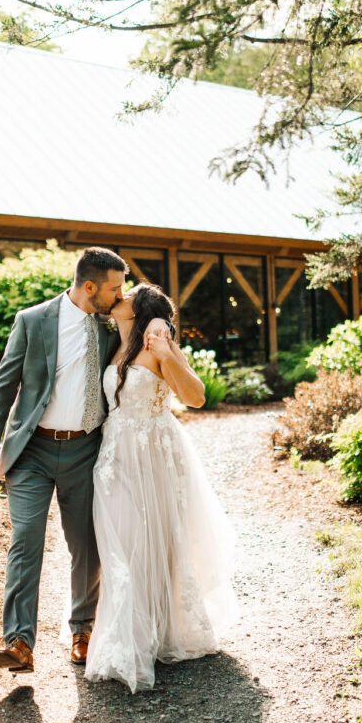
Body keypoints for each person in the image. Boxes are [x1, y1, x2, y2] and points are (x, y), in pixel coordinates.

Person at [0, 247, 126, 674]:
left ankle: (82, 630)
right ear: (90, 286)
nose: (120, 295)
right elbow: (3, 386)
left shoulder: (112, 325)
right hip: (32, 452)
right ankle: (19, 642)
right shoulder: (32, 320)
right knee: (26, 540)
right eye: (114, 288)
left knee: (86, 544)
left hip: (85, 451)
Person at [84, 283, 238, 692]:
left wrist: (168, 355)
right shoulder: (115, 340)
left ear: (141, 308)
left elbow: (196, 396)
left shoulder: (156, 338)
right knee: (119, 541)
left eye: (127, 293)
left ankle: (147, 636)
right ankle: (125, 632)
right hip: (116, 458)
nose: (118, 297)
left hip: (152, 456)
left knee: (150, 541)